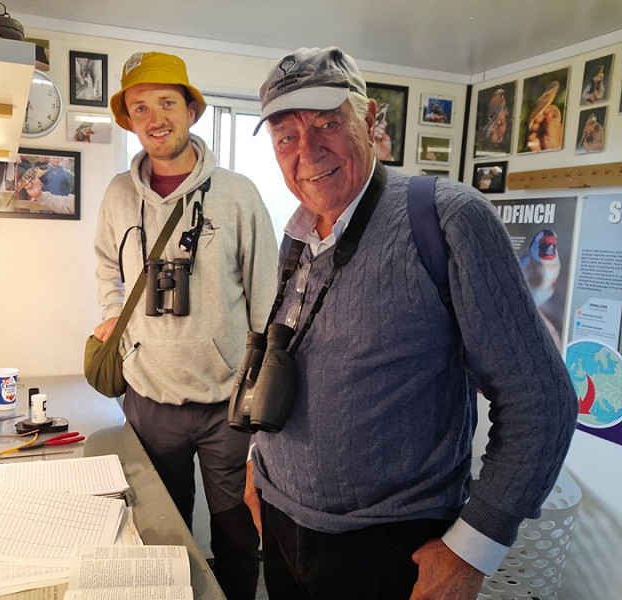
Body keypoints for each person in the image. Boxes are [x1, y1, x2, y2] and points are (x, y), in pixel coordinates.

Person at [244, 46, 577, 600]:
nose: (308, 151)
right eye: (286, 137)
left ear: (372, 120)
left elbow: (542, 401)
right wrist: (260, 461)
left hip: (392, 552)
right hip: (282, 525)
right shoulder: (297, 234)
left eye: (328, 123)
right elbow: (294, 358)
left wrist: (471, 551)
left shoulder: (449, 217)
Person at [93, 51, 277, 599]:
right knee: (163, 532)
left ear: (191, 110)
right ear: (128, 118)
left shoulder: (239, 193)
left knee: (237, 535)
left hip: (228, 406)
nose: (155, 117)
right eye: (139, 106)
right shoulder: (117, 196)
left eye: (167, 102)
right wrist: (110, 315)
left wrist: (260, 386)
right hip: (150, 398)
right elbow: (106, 264)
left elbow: (266, 290)